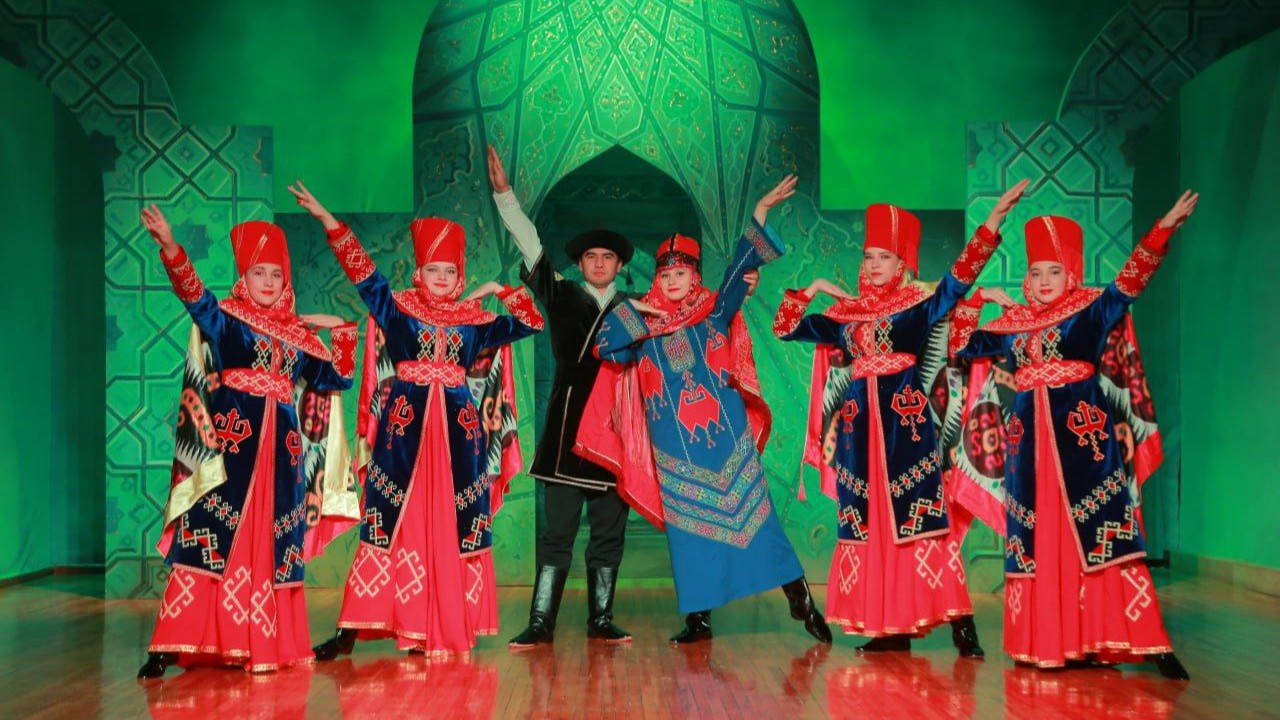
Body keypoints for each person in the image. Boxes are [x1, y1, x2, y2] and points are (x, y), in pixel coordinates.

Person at [771, 182, 1028, 656]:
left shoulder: (919, 306)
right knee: (870, 526)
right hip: (858, 436)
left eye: (884, 257)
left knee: (921, 522)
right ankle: (890, 630)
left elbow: (959, 280)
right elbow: (784, 328)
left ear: (903, 263)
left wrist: (992, 223)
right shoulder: (845, 314)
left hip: (906, 431)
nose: (873, 265)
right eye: (869, 256)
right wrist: (812, 289)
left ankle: (962, 626)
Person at [289, 182, 544, 657]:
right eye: (433, 270)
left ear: (460, 274)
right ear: (419, 271)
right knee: (388, 521)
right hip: (403, 434)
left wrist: (501, 290)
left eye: (450, 271)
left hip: (458, 438)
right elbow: (365, 277)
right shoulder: (399, 311)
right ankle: (351, 631)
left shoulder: (474, 322)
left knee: (454, 523)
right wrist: (330, 222)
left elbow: (531, 322)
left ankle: (443, 622)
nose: (442, 278)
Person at [952, 191, 1198, 679]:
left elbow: (1130, 281)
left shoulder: (1090, 310)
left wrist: (1162, 229)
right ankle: (1049, 641)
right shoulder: (1013, 323)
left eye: (1054, 271)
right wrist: (979, 298)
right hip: (1029, 450)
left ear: (1073, 275)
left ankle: (1142, 640)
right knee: (1039, 538)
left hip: (1085, 445)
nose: (1044, 281)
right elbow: (959, 342)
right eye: (1036, 272)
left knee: (1103, 533)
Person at [576, 176, 831, 644]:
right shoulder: (641, 322)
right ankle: (699, 620)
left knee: (759, 521)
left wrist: (760, 210)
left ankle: (800, 598)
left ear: (695, 276)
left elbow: (740, 266)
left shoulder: (713, 310)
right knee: (689, 536)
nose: (672, 282)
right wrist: (640, 314)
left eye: (681, 274)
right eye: (665, 275)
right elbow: (606, 347)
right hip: (674, 447)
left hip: (726, 439)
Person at [138, 207, 359, 677]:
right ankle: (169, 645)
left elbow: (338, 377)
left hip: (283, 455)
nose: (268, 282)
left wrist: (338, 327)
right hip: (230, 447)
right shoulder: (227, 320)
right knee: (208, 535)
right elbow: (194, 296)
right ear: (244, 275)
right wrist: (171, 247)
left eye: (276, 274)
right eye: (258, 272)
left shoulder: (298, 336)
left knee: (274, 542)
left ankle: (262, 642)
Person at [486, 146, 637, 646]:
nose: (599, 263)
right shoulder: (562, 293)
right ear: (580, 263)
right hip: (567, 430)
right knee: (557, 535)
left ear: (619, 264)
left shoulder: (636, 308)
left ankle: (601, 619)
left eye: (607, 257)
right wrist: (505, 196)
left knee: (609, 534)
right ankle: (540, 622)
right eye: (591, 257)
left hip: (615, 432)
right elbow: (531, 247)